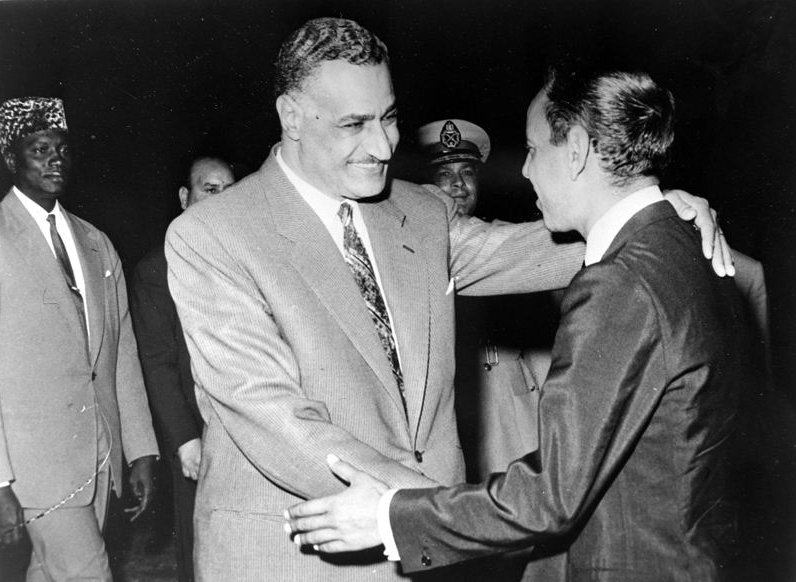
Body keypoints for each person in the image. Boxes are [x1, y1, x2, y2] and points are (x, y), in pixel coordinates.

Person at [166, 18, 727, 582]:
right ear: (291, 116)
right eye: (354, 124)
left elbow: (531, 247)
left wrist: (645, 206)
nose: (384, 145)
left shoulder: (420, 212)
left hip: (424, 551)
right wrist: (444, 511)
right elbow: (276, 421)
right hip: (299, 555)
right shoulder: (214, 236)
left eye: (388, 118)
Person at [285, 63, 755, 581]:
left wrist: (388, 517)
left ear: (575, 150)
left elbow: (551, 494)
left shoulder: (619, 285)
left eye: (533, 150)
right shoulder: (687, 248)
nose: (526, 170)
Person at [0, 97, 159, 581]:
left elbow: (121, 353)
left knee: (50, 575)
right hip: (34, 471)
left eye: (62, 149)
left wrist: (141, 450)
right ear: (11, 159)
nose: (55, 160)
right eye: (39, 149)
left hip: (101, 458)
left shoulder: (97, 243)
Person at [417, 119, 557, 486]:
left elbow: (544, 352)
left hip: (509, 418)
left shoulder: (512, 247)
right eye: (443, 173)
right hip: (443, 423)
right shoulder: (408, 254)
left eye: (467, 172)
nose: (458, 184)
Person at [130, 155, 235, 582]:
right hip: (198, 434)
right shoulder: (156, 270)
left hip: (249, 427)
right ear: (184, 198)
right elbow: (157, 362)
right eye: (211, 190)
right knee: (200, 548)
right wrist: (186, 439)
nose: (222, 202)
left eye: (231, 192)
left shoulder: (250, 261)